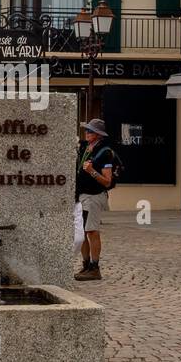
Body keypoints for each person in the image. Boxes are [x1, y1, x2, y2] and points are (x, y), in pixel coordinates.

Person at [74, 118, 116, 282]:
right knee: (83, 232)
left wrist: (91, 171)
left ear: (98, 135)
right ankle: (86, 266)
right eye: (86, 130)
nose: (86, 133)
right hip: (82, 196)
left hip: (94, 196)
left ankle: (95, 267)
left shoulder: (105, 152)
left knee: (92, 231)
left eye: (90, 131)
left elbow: (107, 181)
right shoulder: (85, 147)